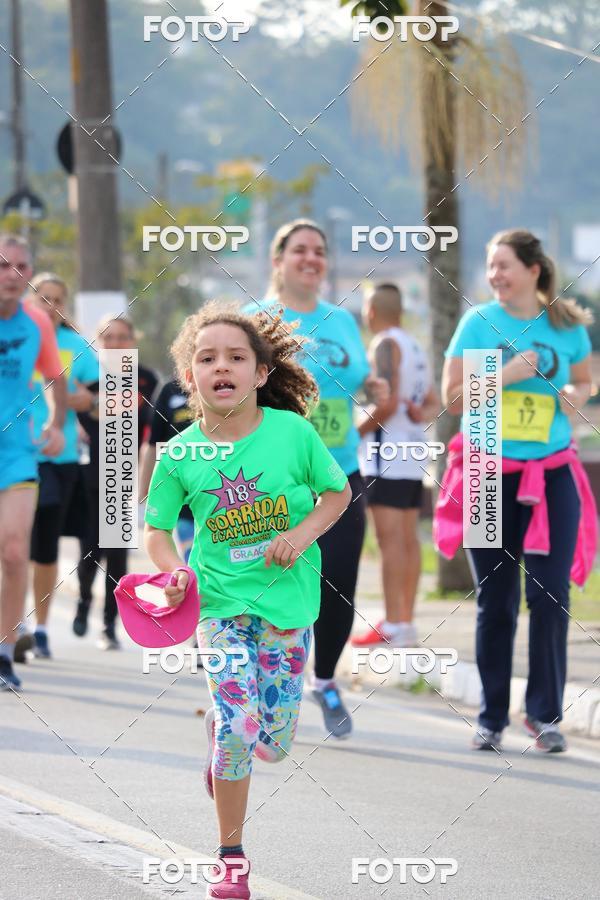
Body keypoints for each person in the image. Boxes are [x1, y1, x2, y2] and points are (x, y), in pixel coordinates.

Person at [144, 302, 351, 899]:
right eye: (206, 358)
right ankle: (230, 856)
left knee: (275, 744)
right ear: (190, 377)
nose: (222, 367)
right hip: (219, 607)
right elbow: (156, 529)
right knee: (240, 726)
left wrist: (299, 534)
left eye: (236, 357)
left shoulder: (293, 435)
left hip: (287, 608)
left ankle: (224, 733)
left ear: (261, 373)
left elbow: (335, 495)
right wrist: (172, 570)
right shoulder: (180, 453)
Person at [436, 229, 596, 753]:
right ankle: (491, 716)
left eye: (504, 265)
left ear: (534, 269)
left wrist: (575, 394)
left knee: (550, 596)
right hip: (486, 471)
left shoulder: (567, 325)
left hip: (551, 472)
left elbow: (583, 388)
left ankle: (545, 715)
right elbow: (453, 400)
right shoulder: (476, 323)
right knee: (496, 601)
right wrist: (506, 375)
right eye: (490, 266)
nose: (495, 276)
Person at [245, 219, 387, 739]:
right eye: (300, 250)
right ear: (277, 260)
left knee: (340, 585)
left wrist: (372, 387)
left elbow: (349, 387)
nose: (311, 258)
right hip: (275, 478)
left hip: (338, 473)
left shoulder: (343, 321)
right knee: (271, 582)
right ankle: (259, 685)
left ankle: (323, 680)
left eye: (320, 251)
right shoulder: (253, 321)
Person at [352, 283, 439, 648]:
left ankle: (393, 622)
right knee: (408, 539)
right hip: (412, 452)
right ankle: (405, 622)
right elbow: (432, 403)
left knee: (391, 543)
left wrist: (352, 432)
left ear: (372, 313)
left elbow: (385, 406)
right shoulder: (415, 345)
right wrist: (418, 413)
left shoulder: (384, 345)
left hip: (384, 455)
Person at [0, 234, 67, 691]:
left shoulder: (37, 323)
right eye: (4, 265)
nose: (12, 274)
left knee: (14, 550)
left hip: (17, 453)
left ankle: (5, 650)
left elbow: (55, 376)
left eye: (20, 266)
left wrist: (58, 423)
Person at [23, 274, 98, 660]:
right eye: (42, 297)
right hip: (16, 454)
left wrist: (70, 396)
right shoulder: (16, 336)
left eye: (56, 299)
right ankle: (14, 623)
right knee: (13, 542)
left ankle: (40, 629)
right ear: (29, 298)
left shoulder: (74, 346)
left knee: (45, 547)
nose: (49, 306)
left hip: (61, 457)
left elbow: (98, 399)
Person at [74, 314, 158, 650]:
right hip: (86, 473)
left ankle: (109, 625)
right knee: (90, 548)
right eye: (109, 337)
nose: (116, 343)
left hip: (122, 474)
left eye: (123, 337)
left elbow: (154, 425)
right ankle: (82, 601)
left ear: (133, 341)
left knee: (118, 554)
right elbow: (78, 416)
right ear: (98, 343)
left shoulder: (146, 380)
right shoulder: (89, 376)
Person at [139, 378, 195, 564]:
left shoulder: (229, 391)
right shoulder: (170, 390)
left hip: (222, 496)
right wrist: (143, 489)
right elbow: (153, 444)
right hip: (182, 496)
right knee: (192, 561)